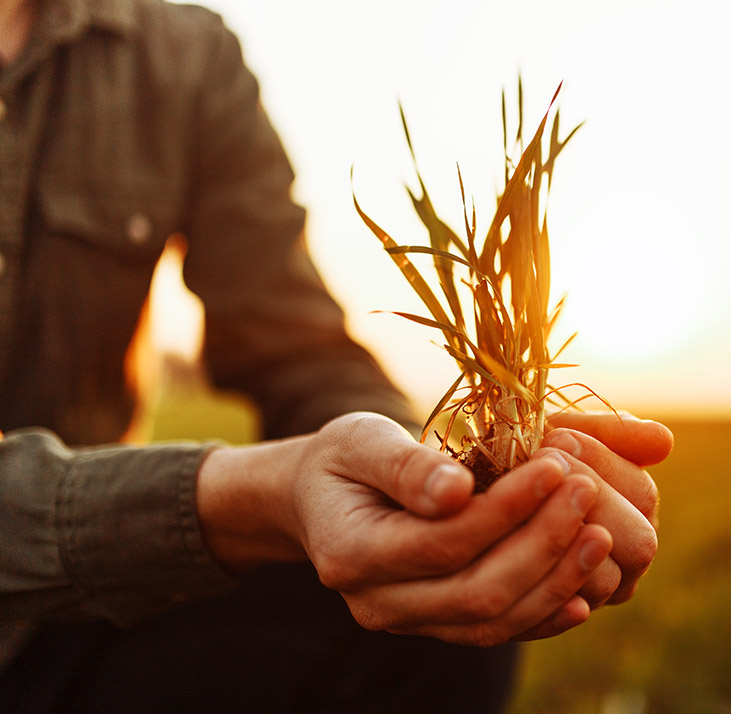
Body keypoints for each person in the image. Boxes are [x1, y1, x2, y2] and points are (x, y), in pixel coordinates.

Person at [0, 0, 674, 712]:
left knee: (439, 602)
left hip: (77, 625)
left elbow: (293, 342)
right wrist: (253, 494)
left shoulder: (180, 53)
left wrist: (420, 484)